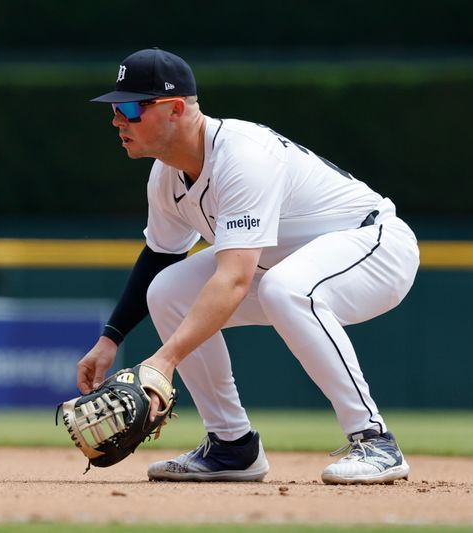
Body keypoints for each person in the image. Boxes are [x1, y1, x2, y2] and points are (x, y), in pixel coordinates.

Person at [77, 48, 419, 484]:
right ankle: (231, 446)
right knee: (168, 291)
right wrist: (111, 339)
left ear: (175, 109)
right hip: (287, 264)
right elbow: (161, 257)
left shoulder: (243, 156)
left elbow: (235, 279)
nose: (117, 121)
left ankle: (375, 440)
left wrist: (164, 360)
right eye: (114, 109)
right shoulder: (165, 175)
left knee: (286, 289)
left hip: (375, 247)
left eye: (129, 108)